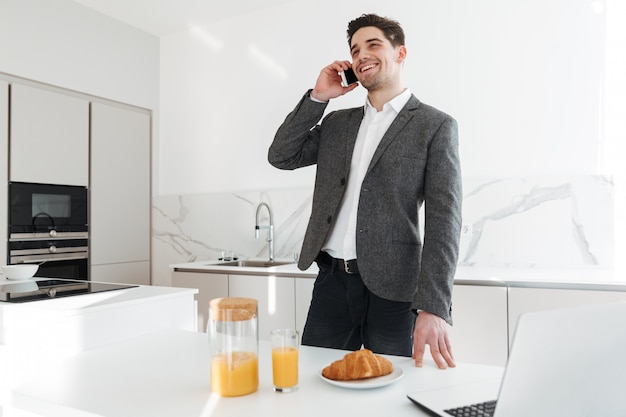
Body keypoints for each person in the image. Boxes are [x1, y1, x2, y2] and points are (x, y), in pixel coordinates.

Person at [268, 13, 461, 369]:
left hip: (395, 287)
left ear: (401, 53)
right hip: (331, 284)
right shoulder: (337, 123)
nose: (361, 55)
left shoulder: (435, 126)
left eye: (373, 45)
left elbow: (444, 221)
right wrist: (319, 96)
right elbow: (281, 155)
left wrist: (434, 305)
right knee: (315, 380)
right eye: (355, 50)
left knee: (394, 389)